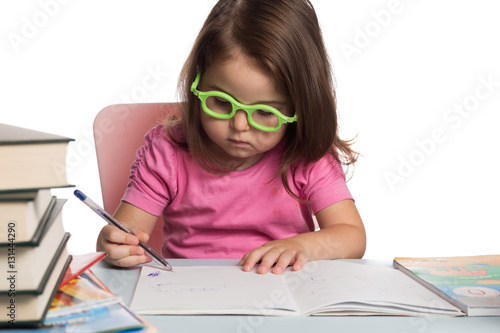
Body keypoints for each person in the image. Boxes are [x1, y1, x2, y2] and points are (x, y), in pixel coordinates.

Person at [96, 0, 366, 275]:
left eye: (264, 112)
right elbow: (125, 232)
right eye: (222, 103)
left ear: (298, 107)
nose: (239, 125)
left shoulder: (306, 156)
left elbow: (352, 237)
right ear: (198, 84)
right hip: (189, 294)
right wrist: (116, 245)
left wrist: (304, 247)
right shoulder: (166, 153)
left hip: (277, 295)